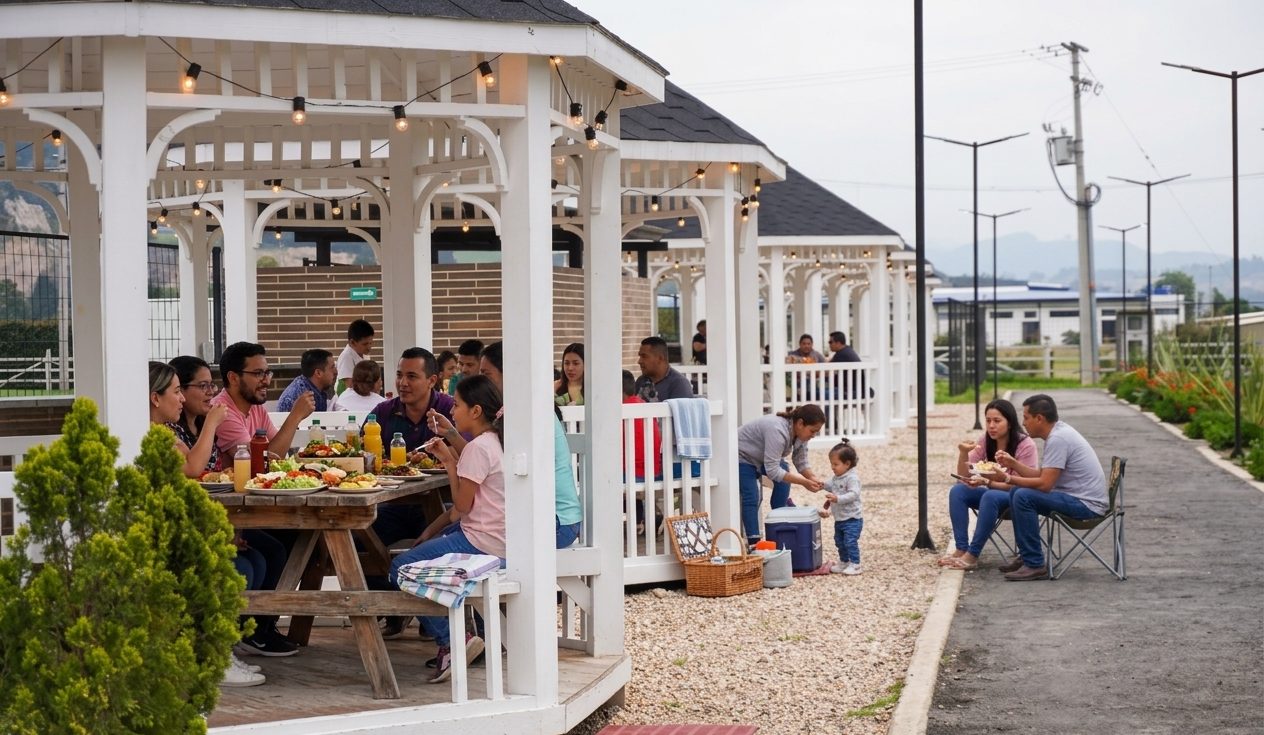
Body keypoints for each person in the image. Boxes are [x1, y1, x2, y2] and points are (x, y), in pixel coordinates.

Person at [146, 363, 280, 685]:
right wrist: (213, 423)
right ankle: (213, 656)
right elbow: (193, 468)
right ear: (155, 398)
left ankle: (225, 647)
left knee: (257, 559)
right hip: (165, 535)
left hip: (189, 526)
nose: (180, 399)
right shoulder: (153, 434)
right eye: (176, 392)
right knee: (239, 569)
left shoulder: (165, 432)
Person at [389, 376, 503, 683]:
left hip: (482, 542)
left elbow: (462, 507)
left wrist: (450, 464)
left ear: (476, 410)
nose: (452, 409)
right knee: (417, 555)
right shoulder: (495, 441)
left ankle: (452, 642)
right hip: (496, 539)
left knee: (401, 566)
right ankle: (455, 639)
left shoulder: (479, 448)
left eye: (457, 404)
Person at [993, 394, 1108, 581]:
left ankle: (1035, 564)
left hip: (1086, 506)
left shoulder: (1058, 439)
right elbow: (1042, 475)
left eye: (1026, 418)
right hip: (1078, 498)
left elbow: (1045, 485)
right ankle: (1027, 556)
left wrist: (1007, 478)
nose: (1023, 423)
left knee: (1023, 496)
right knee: (1017, 492)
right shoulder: (1058, 433)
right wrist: (1013, 464)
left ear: (1039, 418)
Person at [939, 399, 1039, 571]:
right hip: (991, 497)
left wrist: (988, 482)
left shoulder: (1025, 444)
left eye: (997, 421)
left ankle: (973, 554)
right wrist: (964, 453)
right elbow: (964, 476)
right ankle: (961, 548)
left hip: (1017, 499)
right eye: (988, 420)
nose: (991, 426)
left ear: (1009, 423)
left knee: (989, 495)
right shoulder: (985, 441)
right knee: (958, 491)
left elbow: (1019, 485)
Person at [736, 405, 826, 546]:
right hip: (741, 456)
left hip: (760, 458)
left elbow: (800, 461)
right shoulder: (777, 430)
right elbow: (772, 470)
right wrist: (803, 482)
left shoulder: (800, 435)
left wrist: (812, 478)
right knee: (752, 496)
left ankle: (780, 516)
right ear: (800, 423)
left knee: (784, 471)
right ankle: (754, 543)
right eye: (812, 431)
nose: (813, 435)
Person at [211, 341, 314, 463]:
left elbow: (276, 449)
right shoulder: (221, 412)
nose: (267, 381)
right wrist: (295, 416)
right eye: (258, 373)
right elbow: (261, 463)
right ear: (233, 378)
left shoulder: (255, 406)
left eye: (267, 373)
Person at [166, 355, 229, 477]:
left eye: (211, 385)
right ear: (181, 389)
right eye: (203, 386)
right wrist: (211, 422)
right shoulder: (169, 428)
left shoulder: (201, 423)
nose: (210, 392)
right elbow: (192, 469)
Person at [621, 369, 662, 534]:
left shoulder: (619, 411)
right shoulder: (644, 406)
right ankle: (640, 519)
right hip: (653, 471)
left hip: (631, 473)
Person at [818, 439, 863, 575]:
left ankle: (855, 564)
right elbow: (831, 485)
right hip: (840, 518)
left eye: (835, 464)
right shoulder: (837, 477)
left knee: (850, 541)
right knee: (839, 541)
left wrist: (837, 498)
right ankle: (844, 562)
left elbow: (853, 494)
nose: (832, 467)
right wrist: (822, 485)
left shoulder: (852, 478)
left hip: (852, 518)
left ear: (847, 464)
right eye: (831, 464)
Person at [635, 336, 694, 402]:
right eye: (640, 356)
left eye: (644, 356)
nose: (639, 361)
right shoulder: (641, 381)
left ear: (660, 358)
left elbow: (679, 411)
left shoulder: (679, 384)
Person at [276, 348, 335, 413]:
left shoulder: (316, 390)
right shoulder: (294, 398)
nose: (336, 371)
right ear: (318, 373)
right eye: (332, 367)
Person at [335, 319, 375, 395]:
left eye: (371, 343)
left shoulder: (364, 354)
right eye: (365, 344)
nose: (369, 347)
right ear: (352, 342)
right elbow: (348, 386)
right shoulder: (346, 356)